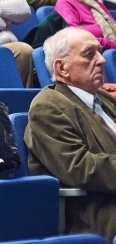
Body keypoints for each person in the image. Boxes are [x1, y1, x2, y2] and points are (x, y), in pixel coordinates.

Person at [24, 27, 116, 241]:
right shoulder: (48, 106)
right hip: (99, 212)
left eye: (100, 52)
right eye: (89, 53)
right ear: (62, 67)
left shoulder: (104, 98)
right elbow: (81, 168)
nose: (102, 60)